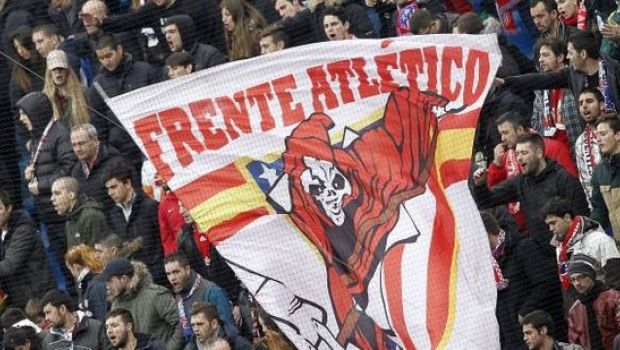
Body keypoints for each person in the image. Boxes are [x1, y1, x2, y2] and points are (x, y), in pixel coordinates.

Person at [16, 91, 76, 293]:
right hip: (48, 215)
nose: (21, 119)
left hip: (64, 215)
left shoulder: (60, 134)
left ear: (36, 113)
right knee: (62, 262)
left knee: (74, 261)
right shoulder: (36, 140)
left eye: (24, 114)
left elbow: (69, 168)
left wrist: (41, 185)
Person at [474, 133, 589, 238]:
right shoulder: (520, 182)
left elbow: (582, 218)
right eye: (517, 154)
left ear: (539, 153)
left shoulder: (564, 179)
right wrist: (480, 185)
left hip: (568, 249)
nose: (519, 158)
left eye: (524, 153)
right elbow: (486, 201)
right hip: (538, 253)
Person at [485, 112, 579, 232]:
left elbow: (572, 187)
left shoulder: (552, 148)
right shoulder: (506, 156)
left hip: (556, 229)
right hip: (525, 231)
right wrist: (496, 166)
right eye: (500, 134)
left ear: (519, 129)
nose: (502, 139)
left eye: (505, 132)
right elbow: (495, 194)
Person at [89, 34, 160, 178]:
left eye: (109, 55)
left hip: (150, 141)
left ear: (119, 50)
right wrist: (109, 149)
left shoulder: (144, 70)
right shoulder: (97, 85)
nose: (106, 62)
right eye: (101, 58)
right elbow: (98, 122)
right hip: (120, 149)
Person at [499, 31, 620, 114]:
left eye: (571, 53)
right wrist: (506, 81)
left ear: (583, 54)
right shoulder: (571, 75)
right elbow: (540, 80)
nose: (568, 56)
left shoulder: (614, 70)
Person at [105, 164, 166, 286]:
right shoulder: (113, 215)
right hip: (134, 281)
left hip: (158, 277)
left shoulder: (151, 207)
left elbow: (163, 241)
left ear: (127, 183)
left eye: (114, 187)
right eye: (108, 189)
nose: (110, 193)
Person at [102, 257, 182, 350]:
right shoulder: (116, 304)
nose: (107, 285)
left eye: (110, 281)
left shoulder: (156, 295)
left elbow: (181, 325)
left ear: (123, 279)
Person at [541, 196, 619, 290]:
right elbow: (567, 287)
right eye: (548, 224)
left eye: (553, 223)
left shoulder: (600, 240)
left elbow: (616, 280)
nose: (551, 229)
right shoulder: (560, 247)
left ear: (567, 217)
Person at [0, 189, 55, 309]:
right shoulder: (2, 231)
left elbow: (9, 265)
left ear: (9, 208)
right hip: (17, 298)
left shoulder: (23, 230)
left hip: (38, 298)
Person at [164, 252, 235, 342]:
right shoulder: (179, 297)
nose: (172, 278)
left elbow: (229, 330)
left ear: (187, 269)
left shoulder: (212, 292)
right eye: (168, 274)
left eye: (176, 272)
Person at [531, 37, 583, 155]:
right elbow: (535, 122)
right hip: (553, 155)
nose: (540, 60)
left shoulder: (574, 81)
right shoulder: (540, 90)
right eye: (540, 56)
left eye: (545, 55)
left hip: (576, 150)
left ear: (560, 57)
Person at [70, 123, 133, 211]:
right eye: (74, 145)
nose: (77, 149)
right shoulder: (76, 171)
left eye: (81, 143)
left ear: (95, 141)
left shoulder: (116, 163)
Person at [567, 254, 620, 349]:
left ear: (591, 275)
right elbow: (574, 344)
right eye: (573, 279)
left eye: (581, 277)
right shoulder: (575, 310)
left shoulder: (613, 298)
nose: (577, 283)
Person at [51, 176, 109, 248]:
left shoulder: (91, 216)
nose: (52, 199)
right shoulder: (70, 219)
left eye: (57, 193)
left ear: (71, 195)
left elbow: (95, 255)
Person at [41, 289, 107, 350]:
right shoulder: (48, 342)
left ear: (62, 309)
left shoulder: (96, 328)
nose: (46, 318)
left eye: (48, 312)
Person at [42, 50, 90, 130]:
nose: (58, 72)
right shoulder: (44, 98)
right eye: (54, 69)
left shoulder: (83, 92)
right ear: (49, 73)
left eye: (61, 68)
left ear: (67, 70)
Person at [591, 115, 620, 241]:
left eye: (603, 134)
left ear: (618, 135)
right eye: (597, 135)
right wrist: (589, 230)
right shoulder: (599, 172)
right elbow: (599, 211)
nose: (598, 139)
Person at [65, 244, 108, 321]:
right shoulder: (88, 284)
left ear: (75, 267)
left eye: (70, 269)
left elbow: (102, 318)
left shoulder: (95, 285)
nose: (72, 273)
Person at [185, 302, 251, 350]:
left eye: (200, 324)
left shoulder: (236, 342)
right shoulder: (191, 346)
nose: (195, 329)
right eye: (193, 325)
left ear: (214, 323)